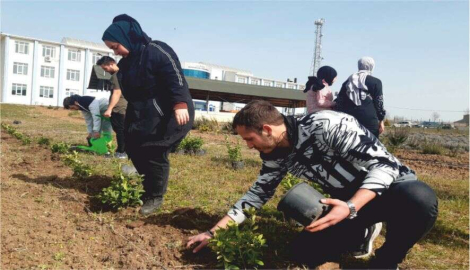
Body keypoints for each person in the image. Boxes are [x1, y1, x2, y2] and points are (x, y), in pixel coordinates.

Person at [187, 100, 438, 269]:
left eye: (249, 139)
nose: (248, 146)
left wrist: (351, 206)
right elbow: (257, 195)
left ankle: (387, 259)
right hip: (344, 203)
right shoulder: (275, 154)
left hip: (391, 190)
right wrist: (213, 232)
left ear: (266, 129)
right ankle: (362, 232)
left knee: (420, 199)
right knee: (304, 254)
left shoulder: (327, 125)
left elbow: (385, 166)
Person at [102, 14, 194, 215]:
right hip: (144, 112)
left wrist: (179, 104)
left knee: (154, 151)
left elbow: (175, 76)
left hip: (170, 111)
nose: (116, 53)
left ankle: (154, 196)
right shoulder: (126, 64)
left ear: (127, 38)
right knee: (133, 146)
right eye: (112, 50)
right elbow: (131, 92)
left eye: (116, 47)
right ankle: (147, 187)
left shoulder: (157, 50)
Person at [335, 57, 386, 137]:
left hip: (348, 119)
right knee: (370, 145)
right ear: (372, 66)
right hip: (368, 119)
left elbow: (339, 102)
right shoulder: (376, 82)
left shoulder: (348, 81)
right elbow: (379, 103)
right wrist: (381, 120)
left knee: (350, 145)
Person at [96, 56, 128, 159]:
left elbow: (117, 93)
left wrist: (109, 109)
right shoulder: (124, 72)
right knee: (123, 130)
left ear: (111, 64)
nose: (106, 71)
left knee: (120, 130)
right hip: (124, 106)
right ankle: (125, 151)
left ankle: (121, 152)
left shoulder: (115, 76)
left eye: (105, 69)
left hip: (119, 107)